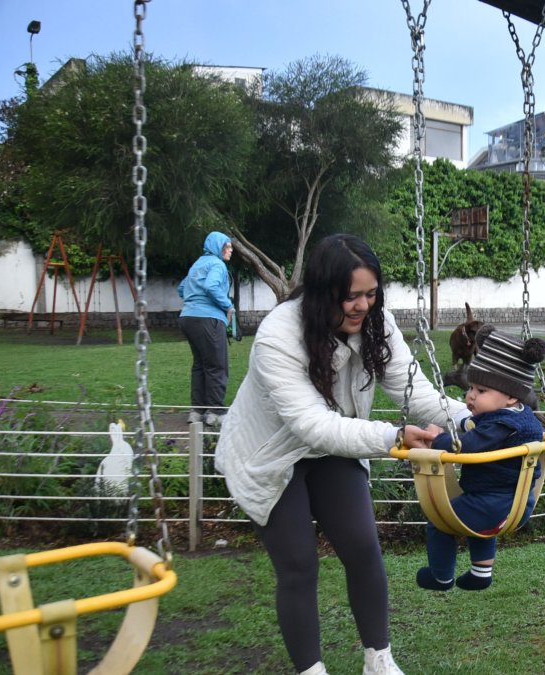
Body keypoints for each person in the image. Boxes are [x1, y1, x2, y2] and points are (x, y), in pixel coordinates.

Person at [216, 234, 467, 675]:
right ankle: (311, 671)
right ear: (322, 291)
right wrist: (394, 436)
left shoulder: (377, 325)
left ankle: (379, 661)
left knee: (363, 548)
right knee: (299, 565)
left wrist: (474, 421)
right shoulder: (279, 335)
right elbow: (312, 425)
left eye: (371, 294)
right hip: (271, 456)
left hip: (337, 446)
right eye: (351, 296)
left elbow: (419, 396)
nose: (362, 305)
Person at [416, 325, 545, 593]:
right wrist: (461, 426)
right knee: (476, 520)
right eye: (471, 387)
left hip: (496, 504)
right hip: (512, 504)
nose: (471, 395)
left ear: (511, 395)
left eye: (482, 391)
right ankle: (480, 573)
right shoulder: (519, 416)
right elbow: (477, 427)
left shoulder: (502, 424)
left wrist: (437, 440)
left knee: (441, 520)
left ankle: (440, 576)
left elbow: (468, 445)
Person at [177, 231, 234, 426]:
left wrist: (194, 300)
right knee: (217, 364)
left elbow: (181, 288)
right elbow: (211, 286)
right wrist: (228, 305)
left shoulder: (198, 264)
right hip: (208, 319)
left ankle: (197, 411)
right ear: (217, 247)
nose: (230, 250)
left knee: (200, 365)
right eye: (227, 246)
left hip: (187, 318)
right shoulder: (217, 264)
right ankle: (215, 411)